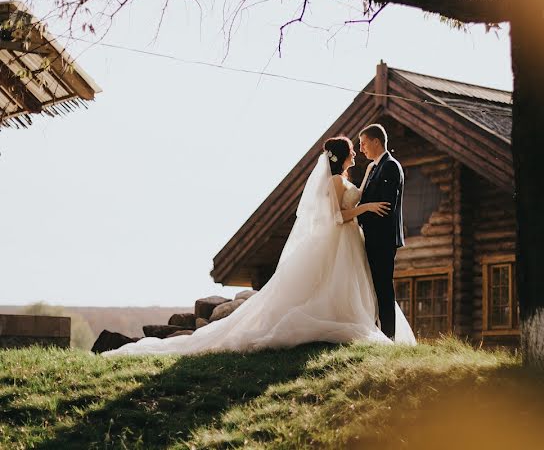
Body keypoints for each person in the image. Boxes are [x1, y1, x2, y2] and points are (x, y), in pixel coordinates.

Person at [103, 136, 415, 356]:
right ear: (341, 156)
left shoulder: (352, 177)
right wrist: (363, 209)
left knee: (354, 284)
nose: (356, 154)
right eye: (352, 150)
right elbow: (337, 215)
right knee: (333, 283)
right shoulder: (334, 181)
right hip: (342, 237)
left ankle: (362, 321)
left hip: (350, 242)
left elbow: (354, 198)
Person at [357, 124, 404, 339]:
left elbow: (385, 206)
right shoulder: (374, 167)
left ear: (376, 141)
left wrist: (355, 216)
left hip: (382, 239)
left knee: (383, 286)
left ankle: (389, 335)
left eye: (363, 143)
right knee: (374, 285)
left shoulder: (390, 166)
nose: (361, 149)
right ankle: (377, 332)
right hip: (371, 237)